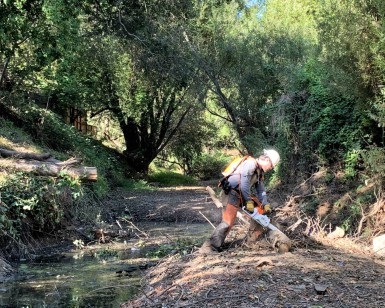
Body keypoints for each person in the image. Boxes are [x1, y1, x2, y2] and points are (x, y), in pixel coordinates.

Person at [201, 149, 280, 253]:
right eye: (271, 166)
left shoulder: (259, 172)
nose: (271, 168)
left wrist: (266, 206)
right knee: (228, 222)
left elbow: (261, 190)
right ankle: (210, 247)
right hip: (232, 192)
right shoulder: (251, 163)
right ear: (266, 160)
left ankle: (254, 236)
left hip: (241, 194)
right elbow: (244, 183)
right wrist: (248, 202)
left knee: (260, 208)